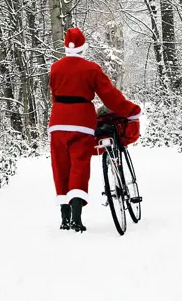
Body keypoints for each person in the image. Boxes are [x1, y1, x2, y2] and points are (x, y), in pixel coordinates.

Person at [48, 26, 141, 232]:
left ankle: (64, 217)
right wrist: (131, 110)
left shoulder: (55, 68)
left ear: (65, 47)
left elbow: (54, 95)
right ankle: (77, 218)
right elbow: (110, 97)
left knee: (60, 167)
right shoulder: (91, 69)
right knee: (79, 166)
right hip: (81, 123)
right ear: (83, 48)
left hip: (57, 123)